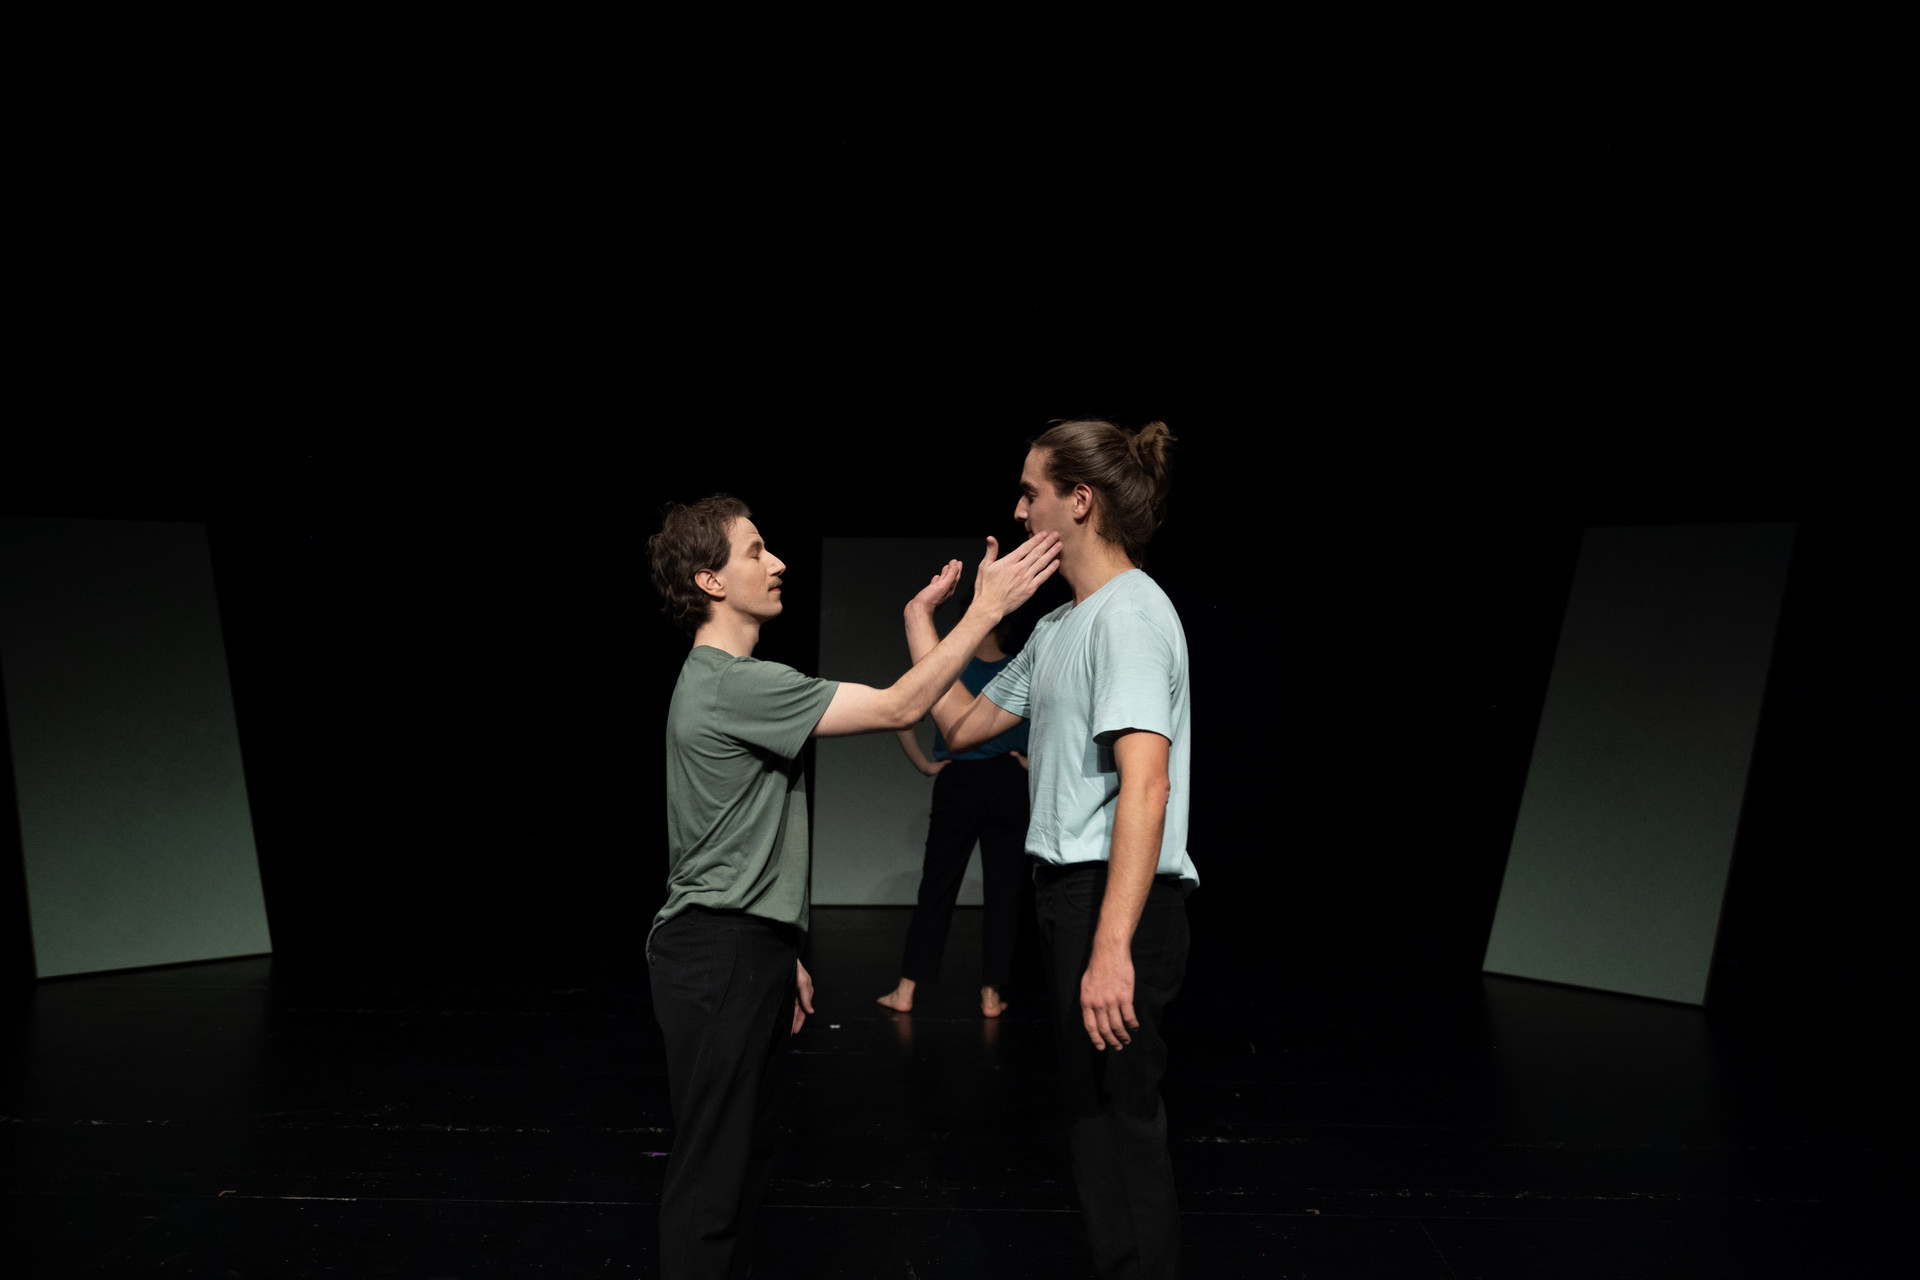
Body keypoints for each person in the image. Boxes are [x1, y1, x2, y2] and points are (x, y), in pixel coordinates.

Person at [645, 494, 1060, 1280]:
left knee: (740, 1173)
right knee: (711, 1185)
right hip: (716, 954)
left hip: (741, 948)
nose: (778, 562)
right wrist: (984, 609)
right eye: (756, 550)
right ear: (710, 580)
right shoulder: (732, 685)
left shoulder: (729, 683)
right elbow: (904, 706)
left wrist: (782, 951)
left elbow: (732, 838)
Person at [911, 420, 1195, 1280]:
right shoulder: (1059, 628)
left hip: (1117, 901)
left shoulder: (1131, 616)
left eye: (1030, 492)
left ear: (1079, 501)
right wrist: (930, 618)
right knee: (1090, 1118)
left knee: (1123, 1121)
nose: (1018, 508)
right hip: (1070, 897)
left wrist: (1112, 948)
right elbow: (958, 725)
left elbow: (1147, 786)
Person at [877, 620, 1032, 1019]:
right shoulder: (1021, 667)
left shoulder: (950, 667)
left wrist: (925, 765)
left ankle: (906, 990)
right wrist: (1028, 763)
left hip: (960, 779)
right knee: (1005, 889)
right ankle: (991, 996)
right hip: (1008, 781)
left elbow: (903, 714)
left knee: (938, 885)